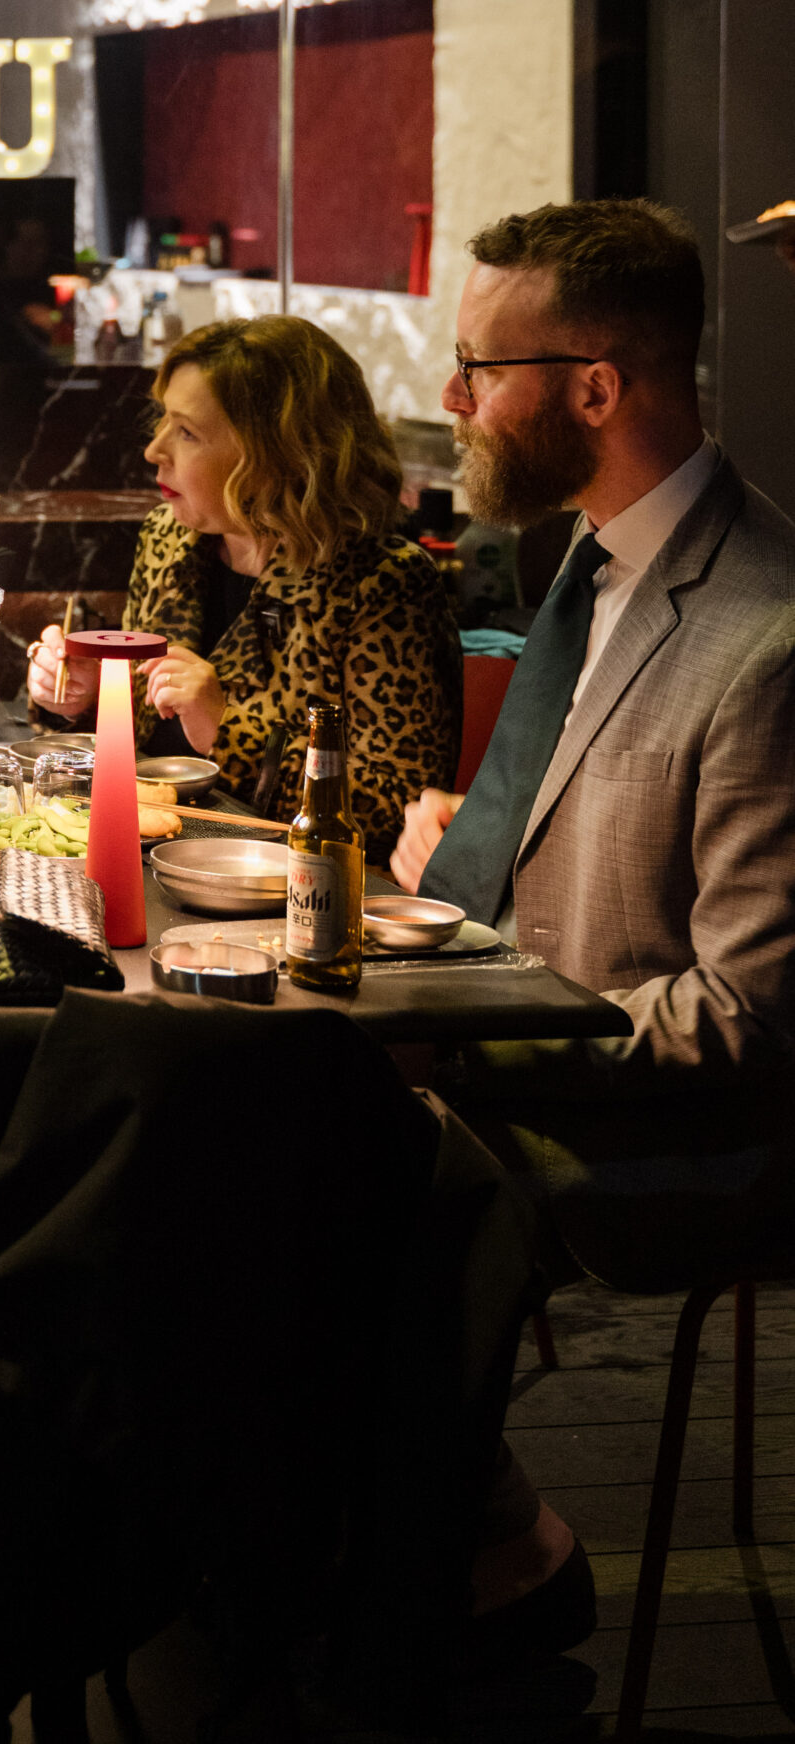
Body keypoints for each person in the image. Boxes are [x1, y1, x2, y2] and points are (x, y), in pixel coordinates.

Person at [390, 197, 795, 1656]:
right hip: (504, 1048)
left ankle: (474, 1561)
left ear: (594, 388)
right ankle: (374, 1543)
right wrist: (463, 854)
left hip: (673, 1133)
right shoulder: (586, 559)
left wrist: (475, 1036)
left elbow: (743, 1017)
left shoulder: (766, 639)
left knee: (335, 1162)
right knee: (239, 1098)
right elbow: (559, 848)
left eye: (477, 368)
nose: (452, 402)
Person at [29, 315, 461, 862]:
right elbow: (148, 747)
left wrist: (226, 729)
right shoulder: (169, 538)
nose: (154, 449)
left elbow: (399, 810)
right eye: (163, 421)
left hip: (296, 890)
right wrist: (89, 696)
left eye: (187, 433)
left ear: (275, 454)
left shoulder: (383, 582)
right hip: (155, 857)